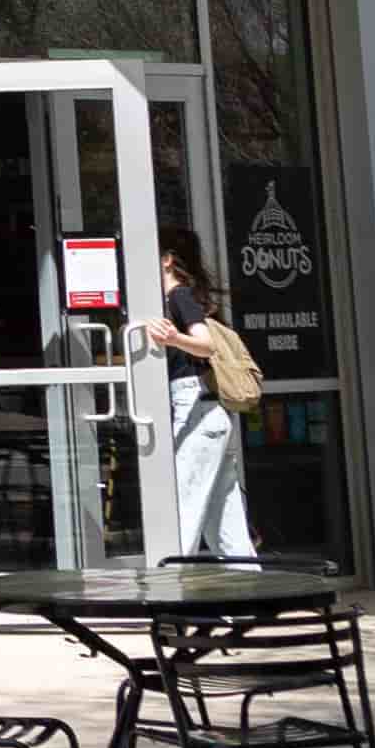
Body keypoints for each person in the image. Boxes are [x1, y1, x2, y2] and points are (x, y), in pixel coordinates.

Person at [143, 235, 257, 559]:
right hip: (208, 415)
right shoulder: (175, 299)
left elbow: (206, 344)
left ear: (167, 260)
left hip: (197, 412)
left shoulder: (179, 296)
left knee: (182, 509)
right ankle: (253, 594)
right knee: (226, 524)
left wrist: (173, 337)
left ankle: (172, 591)